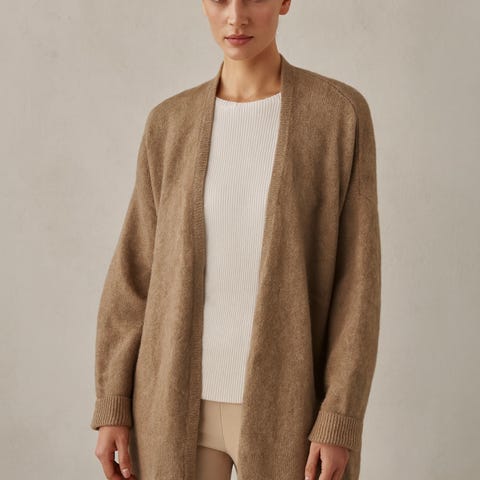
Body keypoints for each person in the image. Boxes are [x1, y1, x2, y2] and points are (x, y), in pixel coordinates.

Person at [91, 1, 381, 480]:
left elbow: (359, 285)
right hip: (170, 407)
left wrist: (340, 416)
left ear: (284, 1)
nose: (236, 16)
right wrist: (113, 402)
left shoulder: (338, 116)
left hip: (291, 411)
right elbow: (133, 273)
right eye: (220, 0)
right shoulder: (169, 123)